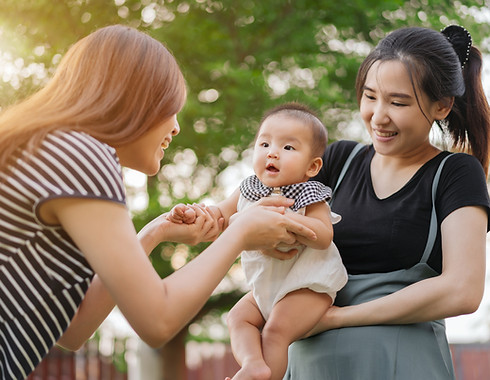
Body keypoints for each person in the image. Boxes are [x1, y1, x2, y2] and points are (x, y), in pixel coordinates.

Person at [0, 25, 318, 380]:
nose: (177, 127)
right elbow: (157, 321)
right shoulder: (82, 155)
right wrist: (240, 233)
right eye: (171, 107)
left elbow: (72, 330)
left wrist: (151, 234)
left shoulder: (52, 149)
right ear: (134, 98)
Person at [283, 25, 490, 379]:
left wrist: (336, 318)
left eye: (398, 102)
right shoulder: (338, 161)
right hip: (309, 368)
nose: (378, 116)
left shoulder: (455, 173)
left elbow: (463, 290)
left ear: (441, 106)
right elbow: (271, 224)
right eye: (370, 96)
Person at [167, 102, 348, 380]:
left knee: (276, 330)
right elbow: (220, 216)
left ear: (312, 166)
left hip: (307, 285)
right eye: (264, 144)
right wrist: (196, 213)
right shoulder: (249, 188)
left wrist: (287, 220)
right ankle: (253, 364)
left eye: (288, 148)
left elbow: (324, 236)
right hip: (265, 288)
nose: (272, 152)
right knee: (238, 318)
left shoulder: (309, 194)